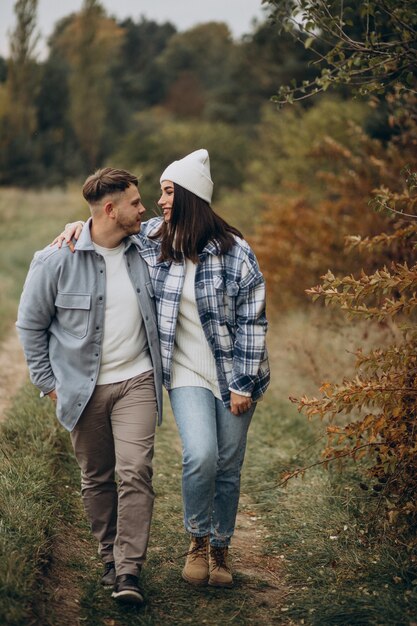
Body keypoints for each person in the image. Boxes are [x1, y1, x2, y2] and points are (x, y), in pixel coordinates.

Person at [56, 149, 270, 588]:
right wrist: (77, 226)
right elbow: (109, 228)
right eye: (159, 193)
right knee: (201, 455)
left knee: (228, 465)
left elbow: (254, 320)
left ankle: (221, 550)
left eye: (169, 191)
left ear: (191, 195)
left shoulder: (236, 253)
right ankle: (197, 540)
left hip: (235, 373)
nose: (160, 202)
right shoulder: (153, 239)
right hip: (185, 370)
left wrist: (244, 384)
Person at [16, 168, 163, 606]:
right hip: (83, 388)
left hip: (137, 379)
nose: (145, 209)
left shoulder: (147, 246)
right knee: (97, 477)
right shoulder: (55, 260)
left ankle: (129, 569)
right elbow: (30, 326)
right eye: (136, 203)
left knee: (135, 470)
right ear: (111, 209)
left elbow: (188, 220)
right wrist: (47, 383)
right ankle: (108, 558)